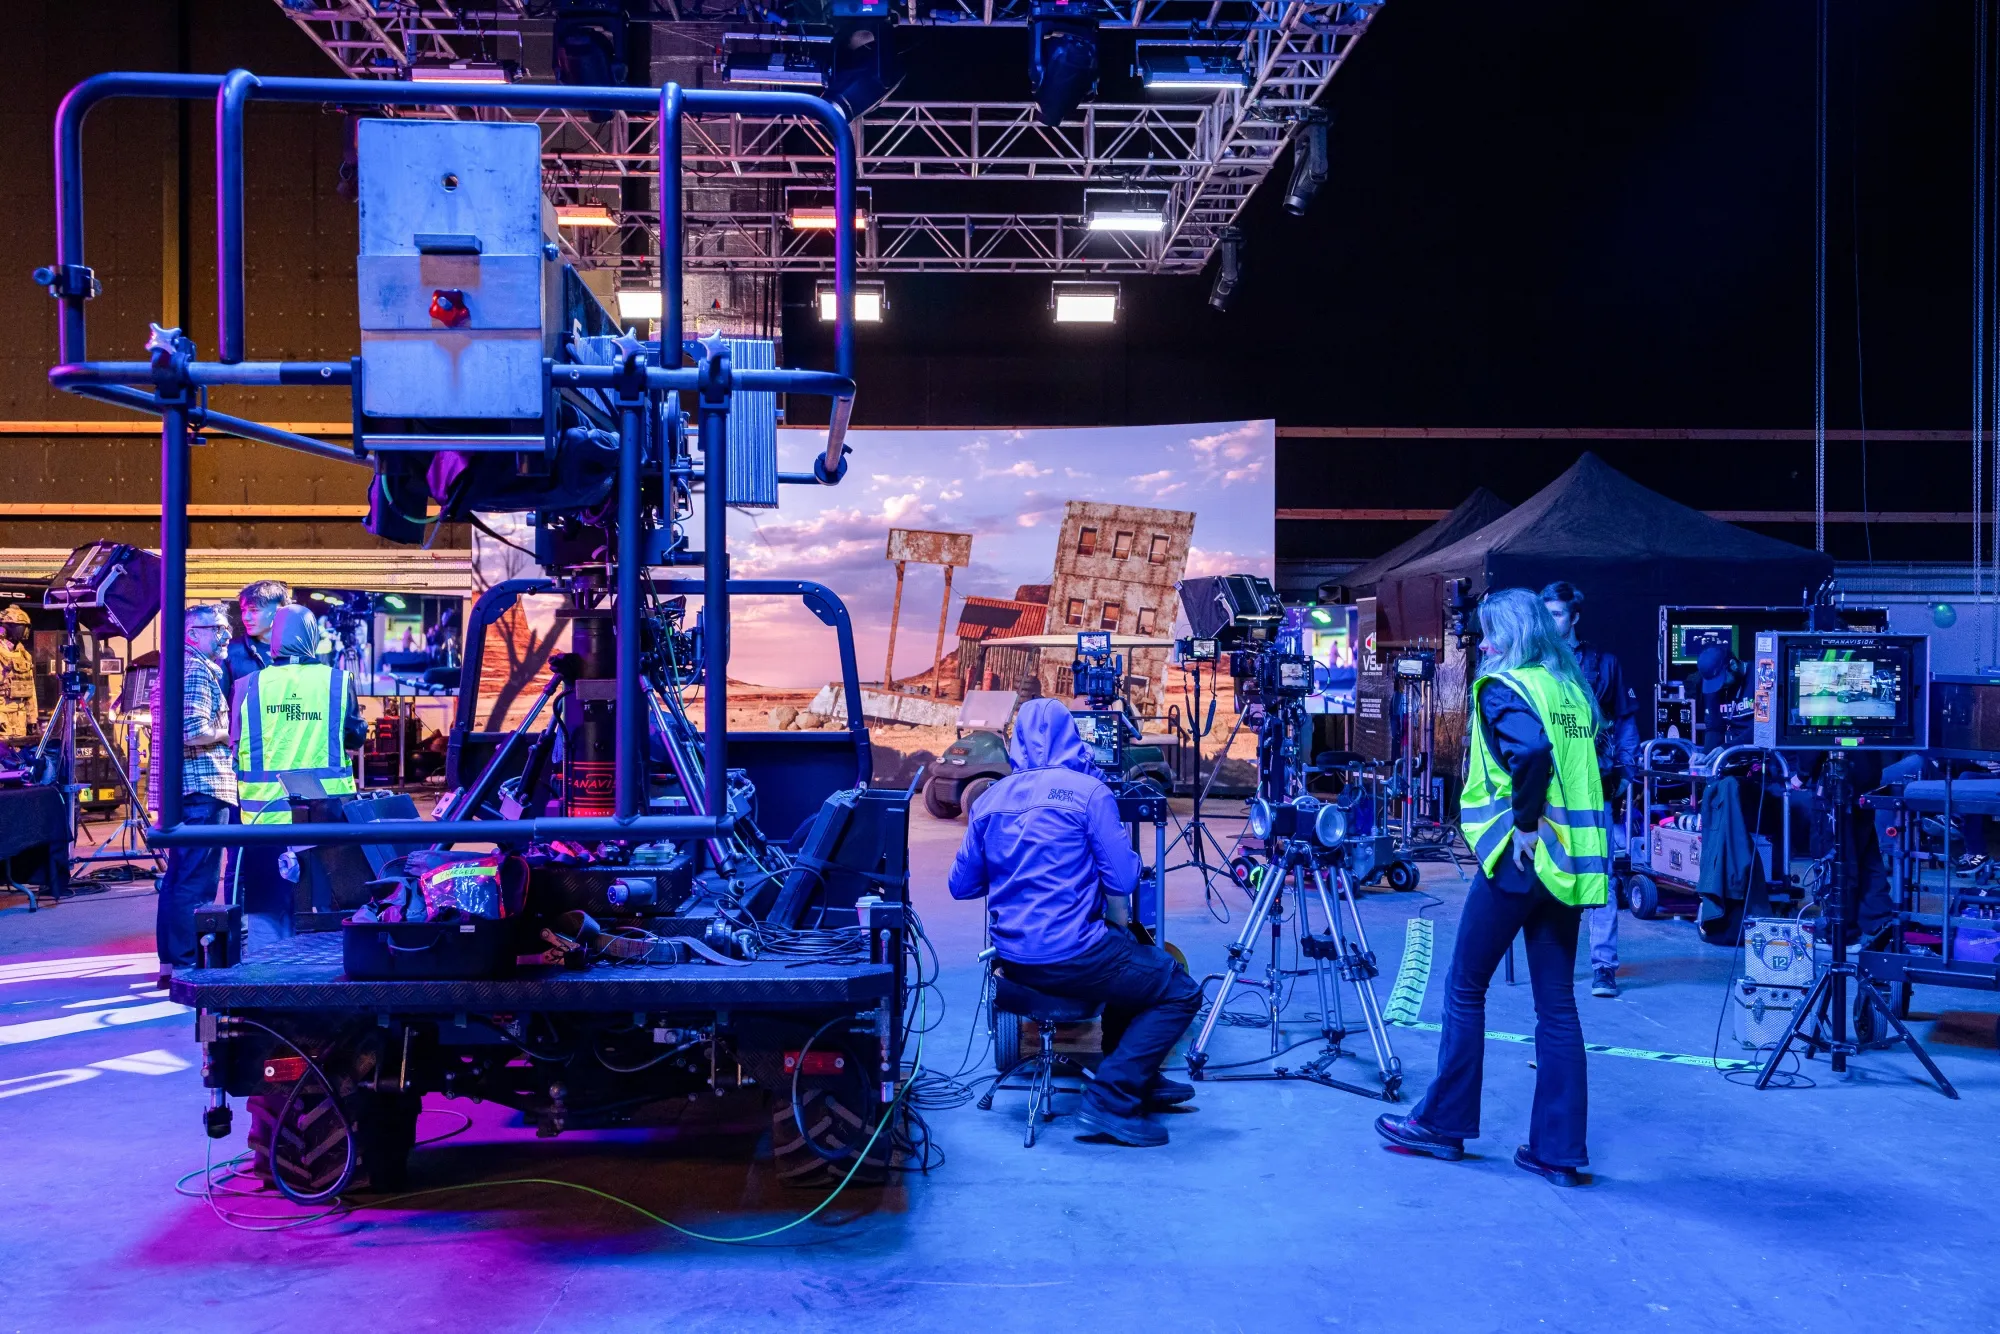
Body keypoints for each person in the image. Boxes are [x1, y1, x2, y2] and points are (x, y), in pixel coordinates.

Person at [1376, 588, 1608, 1188]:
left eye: (1490, 634)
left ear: (1512, 634)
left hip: (1518, 860)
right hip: (1568, 867)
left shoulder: (1507, 687)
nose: (1483, 645)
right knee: (1557, 1005)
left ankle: (1444, 1126)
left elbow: (1531, 754)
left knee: (1465, 987)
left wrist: (1525, 826)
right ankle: (1558, 1153)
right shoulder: (1571, 690)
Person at [948, 697, 1202, 1147]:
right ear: (1072, 737)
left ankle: (1132, 1074)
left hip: (1013, 961)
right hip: (1075, 956)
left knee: (1136, 963)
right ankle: (1111, 1096)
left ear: (1016, 741)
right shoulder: (1088, 793)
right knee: (1178, 989)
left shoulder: (988, 802)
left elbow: (962, 887)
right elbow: (1123, 879)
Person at [231, 605, 362, 948]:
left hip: (263, 819)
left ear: (273, 640)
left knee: (267, 911)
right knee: (324, 912)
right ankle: (323, 984)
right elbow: (354, 737)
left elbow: (236, 745)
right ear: (312, 639)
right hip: (324, 816)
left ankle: (265, 982)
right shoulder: (336, 680)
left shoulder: (247, 685)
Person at [1540, 582, 1638, 999]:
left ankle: (1603, 967)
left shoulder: (1605, 664)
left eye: (1558, 614)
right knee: (1549, 872)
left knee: (1600, 877)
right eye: (1545, 614)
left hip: (1595, 784)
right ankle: (1554, 961)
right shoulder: (1534, 663)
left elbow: (1627, 721)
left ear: (1575, 617)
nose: (1550, 622)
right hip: (1547, 787)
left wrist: (1626, 770)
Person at [148, 604, 238, 987]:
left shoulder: (181, 667)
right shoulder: (195, 669)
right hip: (201, 788)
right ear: (192, 633)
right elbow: (192, 730)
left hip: (186, 789)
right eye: (217, 628)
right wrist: (228, 729)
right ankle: (184, 965)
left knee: (180, 878)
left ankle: (174, 963)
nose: (226, 636)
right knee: (195, 881)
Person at [225, 579, 290, 702]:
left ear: (278, 612)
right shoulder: (230, 652)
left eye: (254, 610)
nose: (245, 617)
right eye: (243, 610)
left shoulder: (298, 653)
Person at [0, 605, 37, 740]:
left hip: (20, 717)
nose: (24, 631)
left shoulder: (25, 655)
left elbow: (30, 690)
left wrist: (32, 719)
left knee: (18, 757)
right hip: (2, 716)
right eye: (20, 627)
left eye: (26, 627)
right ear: (6, 627)